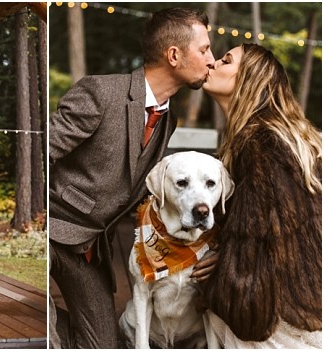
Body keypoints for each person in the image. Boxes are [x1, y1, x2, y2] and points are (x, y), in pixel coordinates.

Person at [48, 7, 214, 348]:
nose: (211, 59)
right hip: (50, 228)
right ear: (173, 55)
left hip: (92, 247)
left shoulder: (169, 119)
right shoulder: (100, 92)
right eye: (204, 50)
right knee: (42, 330)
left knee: (104, 344)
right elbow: (41, 151)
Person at [200, 43, 322, 348]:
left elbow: (262, 237)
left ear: (249, 79)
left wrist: (224, 267)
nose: (213, 63)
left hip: (279, 312)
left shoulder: (264, 143)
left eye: (226, 60)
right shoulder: (266, 135)